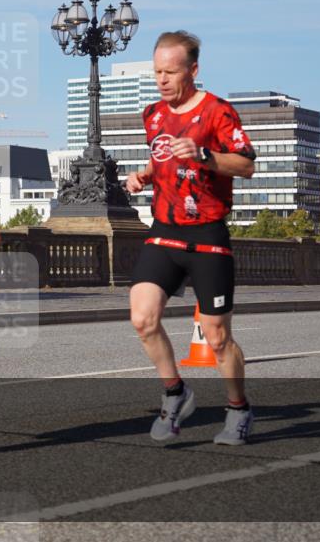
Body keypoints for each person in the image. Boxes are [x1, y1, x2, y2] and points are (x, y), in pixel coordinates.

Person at [125, 31, 257, 445]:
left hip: (208, 236)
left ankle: (238, 408)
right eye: (157, 72)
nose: (162, 80)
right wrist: (144, 175)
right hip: (165, 231)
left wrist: (204, 156)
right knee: (142, 318)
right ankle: (175, 393)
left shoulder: (219, 112)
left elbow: (246, 165)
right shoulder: (153, 114)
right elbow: (161, 155)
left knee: (217, 338)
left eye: (170, 72)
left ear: (193, 70)